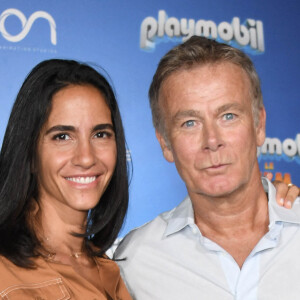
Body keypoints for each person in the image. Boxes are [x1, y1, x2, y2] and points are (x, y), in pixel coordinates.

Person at [114, 36, 300, 299]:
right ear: (165, 143)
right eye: (190, 122)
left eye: (228, 116)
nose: (212, 141)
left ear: (259, 126)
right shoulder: (134, 260)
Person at [0, 59, 132, 299]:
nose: (86, 157)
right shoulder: (5, 273)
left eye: (100, 134)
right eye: (62, 136)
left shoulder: (115, 269)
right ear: (29, 154)